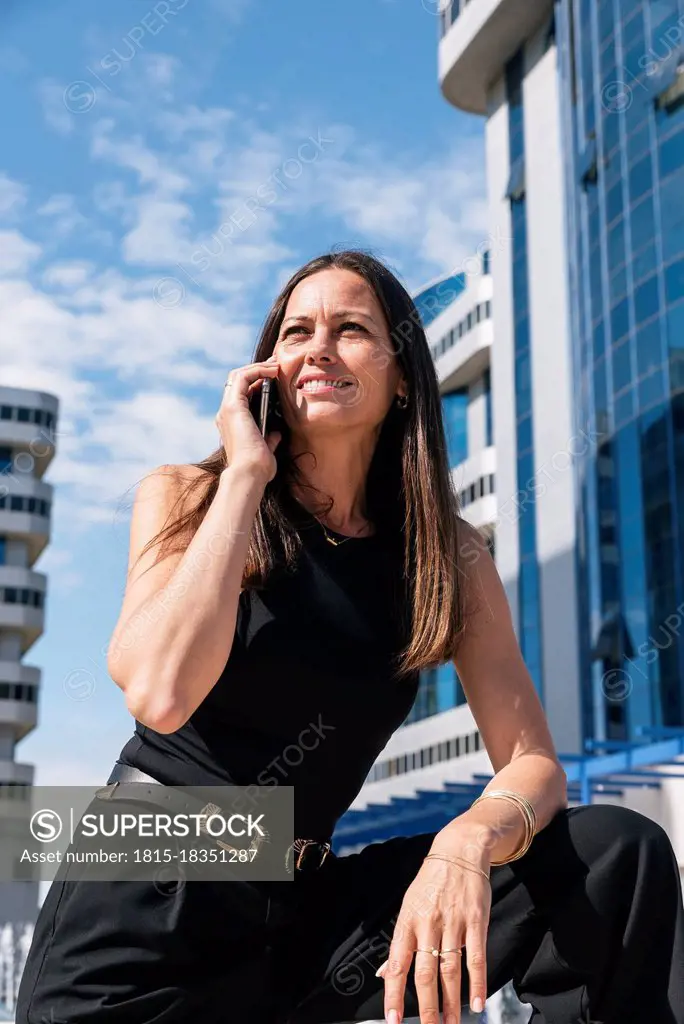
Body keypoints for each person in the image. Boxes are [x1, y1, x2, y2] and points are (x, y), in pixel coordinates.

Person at [16, 250, 684, 1024]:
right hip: (141, 891)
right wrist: (245, 476)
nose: (318, 348)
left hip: (302, 910)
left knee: (611, 852)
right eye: (296, 331)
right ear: (267, 370)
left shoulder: (449, 556)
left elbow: (533, 763)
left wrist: (467, 841)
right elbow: (158, 694)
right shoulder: (193, 496)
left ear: (403, 378)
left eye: (351, 328)